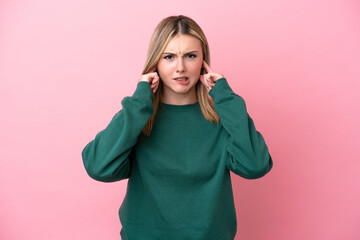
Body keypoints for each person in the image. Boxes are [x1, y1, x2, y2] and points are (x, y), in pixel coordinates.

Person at [82, 15, 273, 240]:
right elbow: (98, 167)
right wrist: (140, 99)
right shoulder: (137, 118)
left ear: (203, 62)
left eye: (190, 56)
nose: (180, 67)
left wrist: (225, 97)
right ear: (156, 63)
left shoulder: (223, 119)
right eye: (169, 57)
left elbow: (256, 166)